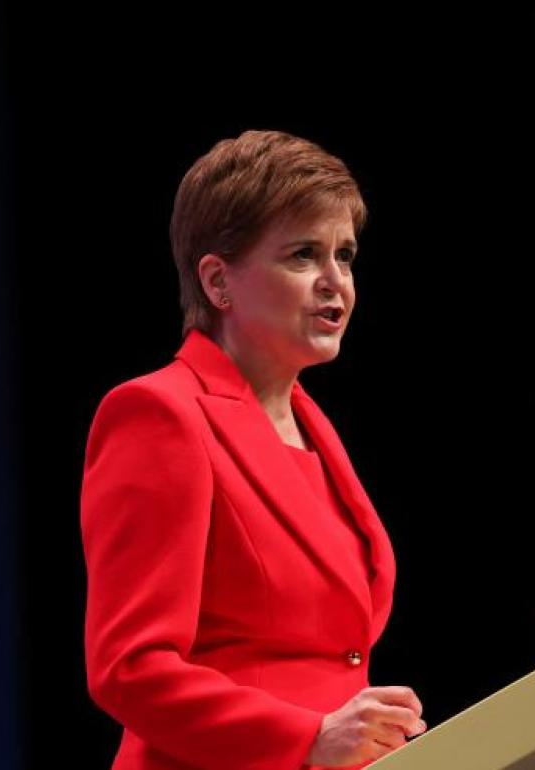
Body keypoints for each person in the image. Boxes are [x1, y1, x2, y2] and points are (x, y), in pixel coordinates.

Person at [81, 130, 426, 770]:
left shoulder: (314, 427)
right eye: (303, 255)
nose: (335, 283)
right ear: (218, 281)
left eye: (344, 256)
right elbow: (128, 667)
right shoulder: (159, 414)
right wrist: (306, 737)